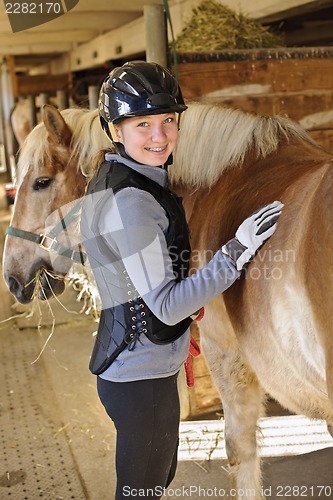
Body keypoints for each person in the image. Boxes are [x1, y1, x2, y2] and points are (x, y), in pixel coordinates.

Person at [80, 60, 283, 499]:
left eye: (168, 120)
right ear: (114, 130)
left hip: (139, 372)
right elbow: (168, 305)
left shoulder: (123, 180)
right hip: (140, 382)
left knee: (151, 485)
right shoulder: (132, 201)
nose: (159, 136)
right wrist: (238, 249)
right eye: (142, 124)